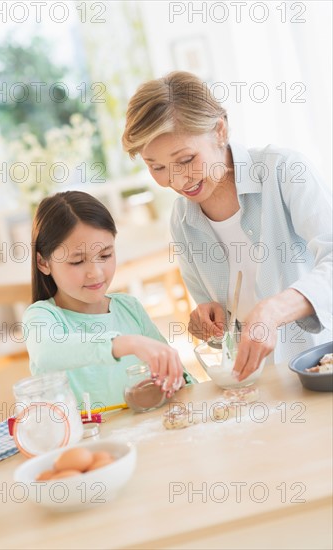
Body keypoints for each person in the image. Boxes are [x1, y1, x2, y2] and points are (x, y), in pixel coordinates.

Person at [122, 71, 332, 382]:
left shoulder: (284, 171)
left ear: (219, 130)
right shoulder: (183, 220)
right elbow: (221, 333)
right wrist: (206, 325)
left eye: (186, 159)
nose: (177, 181)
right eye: (157, 167)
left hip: (320, 367)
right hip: (255, 386)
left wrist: (273, 311)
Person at [23, 191, 194, 407]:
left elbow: (176, 376)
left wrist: (177, 382)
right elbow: (47, 353)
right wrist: (125, 343)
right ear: (43, 263)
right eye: (77, 261)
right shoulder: (42, 317)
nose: (96, 272)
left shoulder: (128, 308)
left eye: (105, 255)